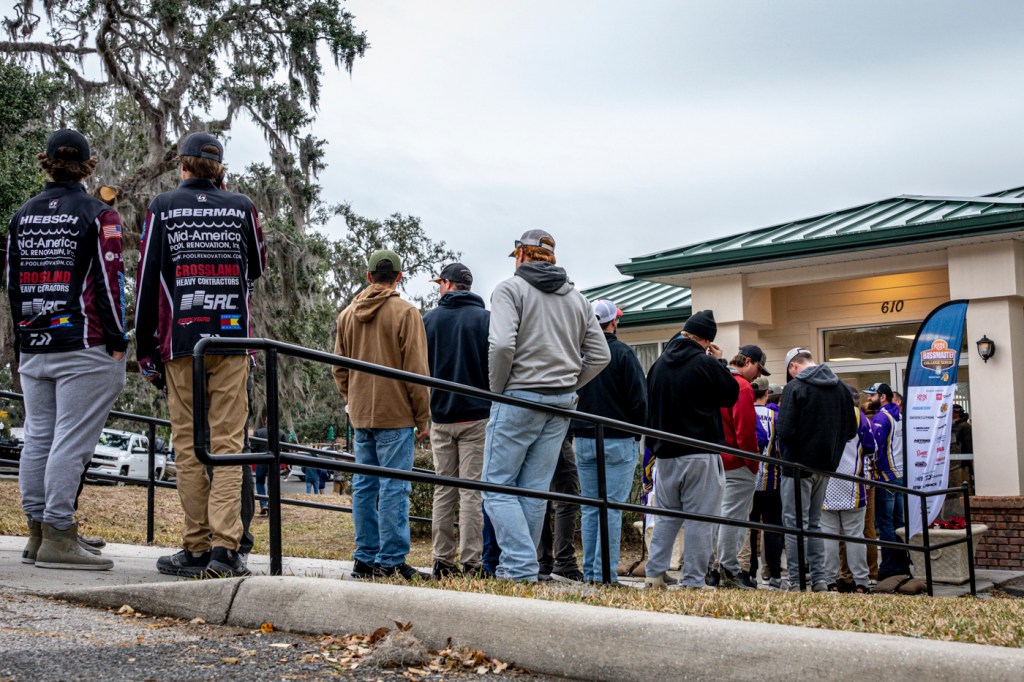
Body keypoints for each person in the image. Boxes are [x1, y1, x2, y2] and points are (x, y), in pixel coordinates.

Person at [135, 131, 266, 578]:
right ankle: (225, 550)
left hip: (181, 342)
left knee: (189, 447)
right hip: (232, 340)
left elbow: (147, 279)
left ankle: (195, 546)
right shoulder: (242, 206)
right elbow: (258, 265)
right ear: (220, 169)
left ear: (182, 165)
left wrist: (145, 348)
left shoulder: (163, 206)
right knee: (229, 446)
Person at [6, 129, 128, 570]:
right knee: (71, 441)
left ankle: (38, 534)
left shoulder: (21, 216)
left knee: (39, 436)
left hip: (33, 341)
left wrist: (23, 337)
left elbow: (11, 284)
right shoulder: (100, 214)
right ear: (88, 166)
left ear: (47, 163)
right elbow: (111, 281)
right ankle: (58, 532)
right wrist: (118, 339)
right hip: (84, 342)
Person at [481, 229, 609, 582]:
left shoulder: (510, 289)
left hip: (519, 396)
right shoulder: (578, 299)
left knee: (495, 486)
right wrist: (570, 384)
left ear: (521, 254)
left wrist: (498, 390)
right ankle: (519, 568)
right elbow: (600, 355)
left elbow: (502, 345)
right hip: (561, 403)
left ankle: (520, 566)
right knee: (533, 489)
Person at [333, 248, 431, 581]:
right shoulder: (407, 313)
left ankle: (364, 558)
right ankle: (390, 560)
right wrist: (422, 417)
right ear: (399, 277)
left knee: (364, 486)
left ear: (369, 276)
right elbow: (416, 371)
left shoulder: (347, 315)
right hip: (397, 414)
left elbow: (338, 368)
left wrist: (353, 398)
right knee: (394, 487)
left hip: (361, 414)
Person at [644, 310, 738, 589]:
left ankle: (654, 573)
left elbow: (649, 407)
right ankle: (693, 580)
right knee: (700, 518)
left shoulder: (659, 364)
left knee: (667, 515)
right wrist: (720, 362)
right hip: (700, 451)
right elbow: (730, 394)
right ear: (707, 340)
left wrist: (654, 446)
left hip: (666, 453)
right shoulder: (705, 363)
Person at [570, 299, 647, 584]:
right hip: (618, 438)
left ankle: (591, 572)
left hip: (583, 437)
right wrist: (636, 431)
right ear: (613, 322)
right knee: (611, 508)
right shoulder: (623, 353)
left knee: (590, 508)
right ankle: (605, 574)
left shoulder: (579, 354)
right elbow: (639, 400)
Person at [423, 262, 490, 579]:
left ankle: (442, 560)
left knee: (444, 489)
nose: (439, 288)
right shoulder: (485, 320)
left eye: (440, 283)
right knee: (471, 492)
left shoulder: (429, 320)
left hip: (441, 415)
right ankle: (472, 562)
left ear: (448, 285)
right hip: (477, 416)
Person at [775, 347, 857, 592]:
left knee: (794, 524)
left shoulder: (795, 387)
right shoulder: (842, 388)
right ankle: (820, 580)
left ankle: (797, 580)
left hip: (797, 465)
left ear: (793, 366)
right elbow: (851, 431)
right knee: (814, 524)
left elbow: (785, 430)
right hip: (826, 466)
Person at [715, 344, 767, 589]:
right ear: (747, 362)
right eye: (758, 368)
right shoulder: (742, 387)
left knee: (720, 515)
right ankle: (729, 568)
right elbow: (745, 432)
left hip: (717, 459)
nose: (758, 375)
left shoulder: (717, 380)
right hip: (737, 462)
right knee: (733, 517)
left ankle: (716, 568)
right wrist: (753, 462)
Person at [821, 389, 874, 593]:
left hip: (827, 482)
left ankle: (830, 580)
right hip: (853, 482)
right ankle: (861, 582)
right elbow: (871, 447)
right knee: (855, 535)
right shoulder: (859, 416)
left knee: (828, 535)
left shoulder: (825, 413)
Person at [865, 382, 910, 579]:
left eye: (872, 395)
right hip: (900, 474)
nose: (869, 399)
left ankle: (890, 566)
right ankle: (901, 563)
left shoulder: (881, 417)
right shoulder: (899, 414)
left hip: (886, 476)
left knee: (885, 524)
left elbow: (874, 447)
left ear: (882, 397)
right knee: (899, 522)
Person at [749, 378, 785, 589]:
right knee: (773, 528)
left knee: (750, 528)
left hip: (749, 479)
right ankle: (774, 575)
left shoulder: (746, 413)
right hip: (773, 479)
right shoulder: (776, 417)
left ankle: (750, 573)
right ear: (766, 394)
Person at [536, 435, 583, 581]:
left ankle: (543, 561)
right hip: (556, 434)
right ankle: (564, 562)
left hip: (536, 434)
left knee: (540, 495)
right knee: (568, 497)